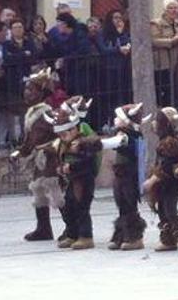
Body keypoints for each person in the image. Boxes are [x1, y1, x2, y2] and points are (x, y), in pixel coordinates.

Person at [46, 100, 126, 250]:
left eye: (65, 133)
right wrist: (61, 168)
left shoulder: (84, 143)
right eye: (61, 135)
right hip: (72, 181)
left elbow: (87, 162)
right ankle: (72, 234)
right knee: (69, 206)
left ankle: (86, 236)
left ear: (74, 129)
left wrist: (72, 167)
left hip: (84, 180)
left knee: (82, 208)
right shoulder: (64, 145)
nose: (63, 137)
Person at [10, 68, 64, 242]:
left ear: (41, 93)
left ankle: (72, 226)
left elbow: (58, 135)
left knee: (56, 193)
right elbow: (30, 140)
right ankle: (44, 228)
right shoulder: (33, 113)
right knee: (39, 192)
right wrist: (21, 151)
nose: (27, 93)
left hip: (48, 159)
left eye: (31, 90)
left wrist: (52, 149)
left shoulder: (47, 113)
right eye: (26, 89)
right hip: (38, 159)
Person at [144, 107, 178, 252]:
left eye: (157, 120)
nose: (154, 123)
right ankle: (169, 240)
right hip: (163, 183)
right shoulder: (162, 140)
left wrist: (153, 180)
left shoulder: (170, 142)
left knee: (170, 210)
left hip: (171, 183)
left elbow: (166, 165)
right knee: (162, 210)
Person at [107, 104, 151, 251]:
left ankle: (134, 237)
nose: (115, 120)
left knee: (129, 205)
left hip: (129, 176)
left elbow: (112, 143)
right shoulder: (123, 134)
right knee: (122, 205)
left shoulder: (128, 136)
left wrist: (93, 144)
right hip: (120, 175)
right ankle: (121, 235)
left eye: (118, 118)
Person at [2, 19, 38, 140]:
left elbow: (34, 57)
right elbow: (7, 59)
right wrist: (23, 54)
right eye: (15, 27)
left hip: (27, 80)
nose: (18, 29)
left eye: (20, 27)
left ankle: (25, 135)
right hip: (11, 80)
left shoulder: (29, 42)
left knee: (25, 109)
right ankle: (12, 137)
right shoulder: (7, 44)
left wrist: (18, 55)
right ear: (11, 30)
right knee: (11, 110)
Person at [150, 0, 178, 108]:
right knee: (164, 90)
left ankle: (175, 113)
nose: (173, 10)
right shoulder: (155, 23)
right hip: (162, 63)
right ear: (164, 10)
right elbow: (154, 41)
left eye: (175, 8)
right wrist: (171, 41)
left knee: (177, 90)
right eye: (170, 8)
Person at [97, 10, 132, 111]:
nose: (118, 21)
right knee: (110, 96)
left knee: (123, 94)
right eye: (115, 18)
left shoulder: (124, 32)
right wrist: (118, 50)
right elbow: (104, 49)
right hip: (108, 68)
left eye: (120, 18)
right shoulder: (102, 33)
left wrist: (121, 34)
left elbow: (127, 43)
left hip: (123, 67)